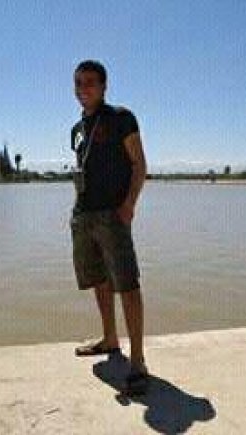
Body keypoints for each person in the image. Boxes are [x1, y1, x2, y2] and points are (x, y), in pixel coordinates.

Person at [69, 60, 149, 394]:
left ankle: (138, 360)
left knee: (127, 284)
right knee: (98, 280)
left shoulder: (121, 117)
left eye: (90, 82)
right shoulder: (77, 128)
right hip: (84, 215)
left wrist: (129, 204)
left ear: (104, 86)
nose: (83, 88)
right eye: (78, 82)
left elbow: (139, 164)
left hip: (113, 215)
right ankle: (110, 339)